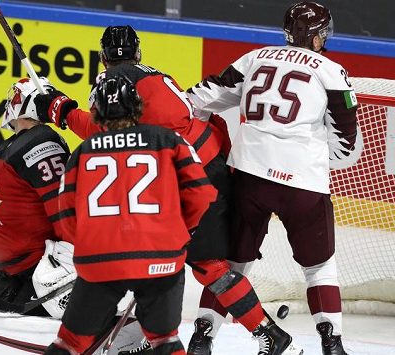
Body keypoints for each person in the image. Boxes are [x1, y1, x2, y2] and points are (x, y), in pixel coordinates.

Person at [34, 25, 300, 355]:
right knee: (174, 262)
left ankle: (270, 335)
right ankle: (166, 335)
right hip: (211, 164)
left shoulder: (113, 85)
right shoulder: (157, 75)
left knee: (202, 264)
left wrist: (59, 109)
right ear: (139, 52)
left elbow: (100, 133)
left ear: (103, 58)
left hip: (191, 176)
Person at [185, 2, 362, 355]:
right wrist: (309, 157)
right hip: (302, 184)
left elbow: (196, 100)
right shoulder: (331, 71)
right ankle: (332, 344)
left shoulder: (254, 58)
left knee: (231, 266)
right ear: (314, 37)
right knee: (320, 268)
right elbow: (347, 147)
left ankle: (202, 338)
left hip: (249, 177)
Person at [43, 75, 217, 355]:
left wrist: (92, 243)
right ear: (138, 107)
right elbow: (202, 193)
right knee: (165, 341)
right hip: (160, 258)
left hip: (100, 262)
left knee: (70, 343)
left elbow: (65, 213)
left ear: (96, 111)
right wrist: (180, 232)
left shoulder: (82, 152)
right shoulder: (169, 140)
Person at [0, 77, 76, 318]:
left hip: (6, 264)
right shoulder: (42, 141)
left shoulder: (2, 149)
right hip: (36, 264)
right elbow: (64, 210)